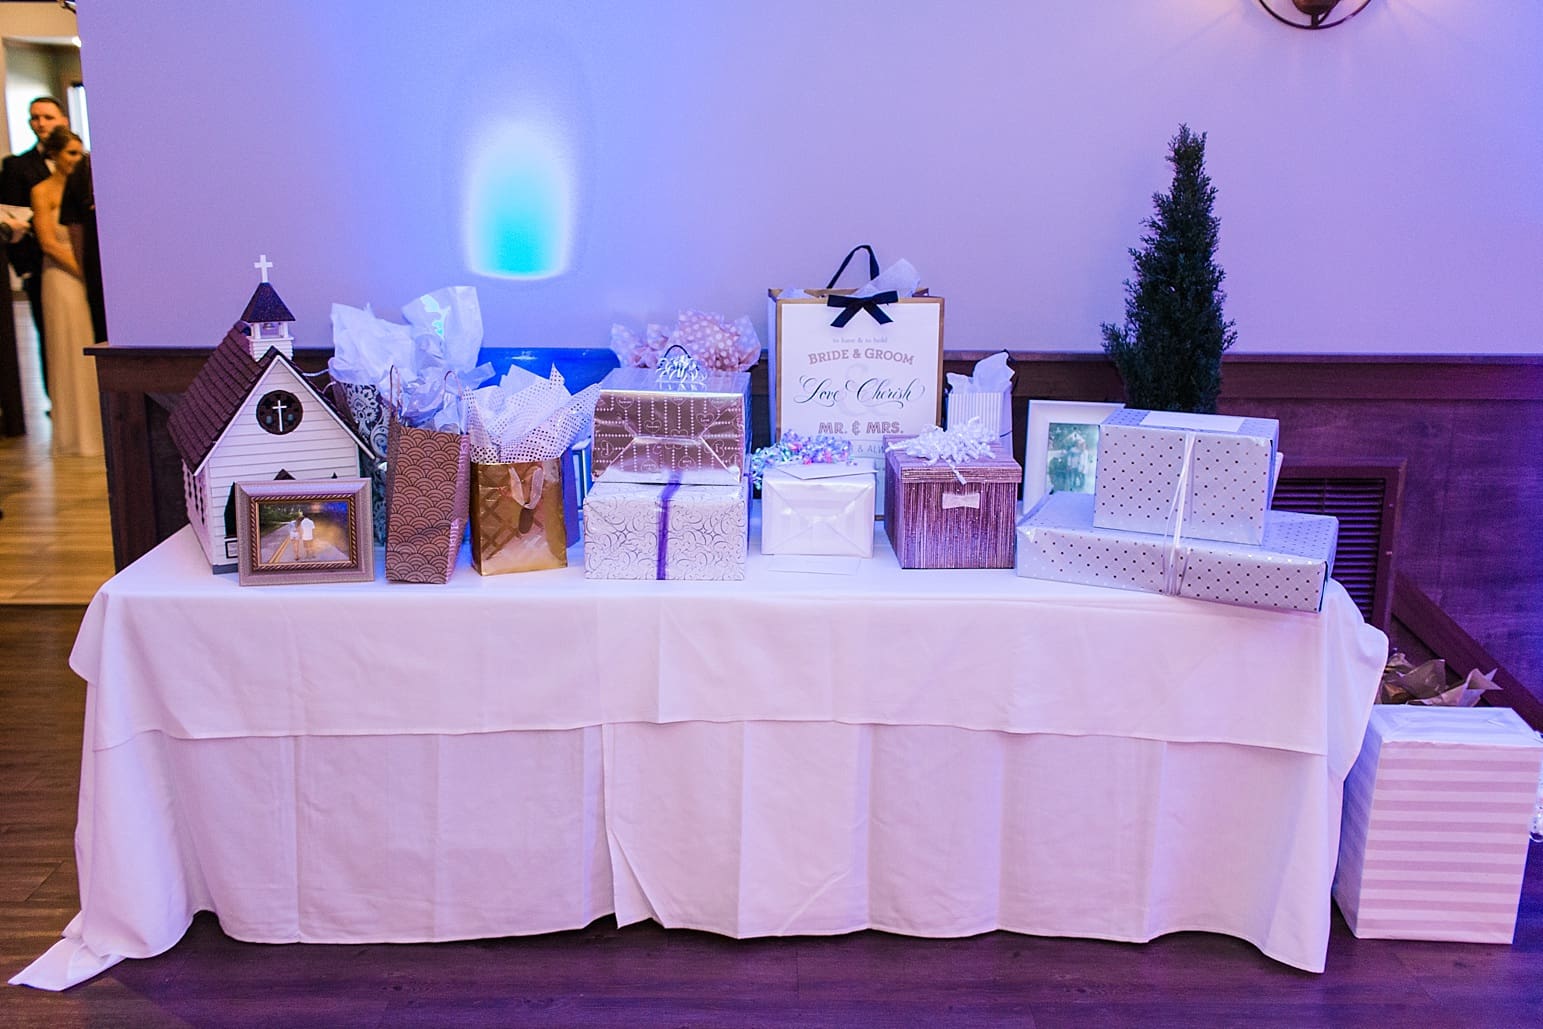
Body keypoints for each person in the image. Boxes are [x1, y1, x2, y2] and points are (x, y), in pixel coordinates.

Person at [30, 126, 102, 458]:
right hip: (61, 278)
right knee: (69, 352)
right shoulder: (42, 191)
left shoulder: (89, 184)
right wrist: (83, 272)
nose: (77, 159)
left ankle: (98, 430)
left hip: (85, 276)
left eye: (80, 152)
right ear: (56, 155)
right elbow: (47, 241)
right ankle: (77, 434)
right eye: (71, 153)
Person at [1, 97, 69, 393]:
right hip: (40, 262)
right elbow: (11, 217)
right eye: (35, 117)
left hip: (77, 257)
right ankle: (55, 397)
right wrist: (26, 269)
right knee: (49, 335)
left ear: (63, 120)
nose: (41, 123)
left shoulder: (80, 160)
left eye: (47, 117)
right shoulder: (17, 167)